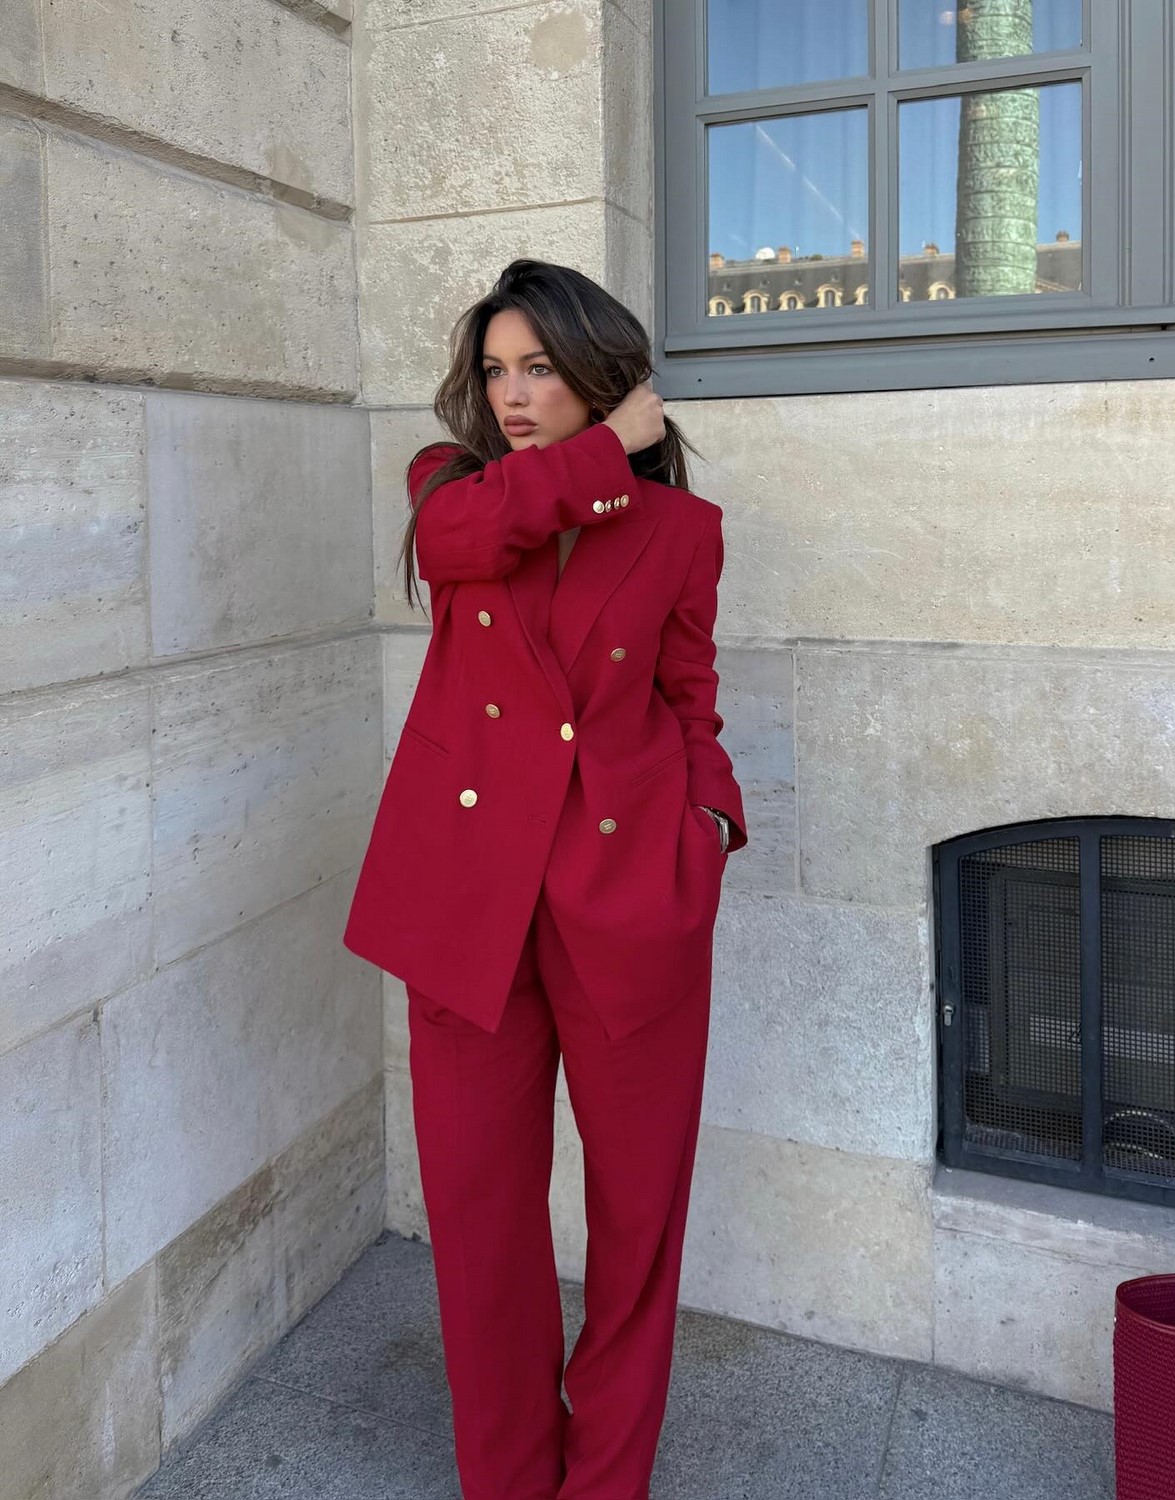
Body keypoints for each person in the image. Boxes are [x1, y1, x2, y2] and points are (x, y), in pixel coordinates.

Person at [343, 257, 747, 1500]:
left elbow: (690, 697)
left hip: (630, 903)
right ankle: (509, 1478)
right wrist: (613, 446)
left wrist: (709, 824)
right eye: (496, 371)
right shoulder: (451, 488)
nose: (512, 395)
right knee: (479, 1220)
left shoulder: (681, 533)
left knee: (637, 1221)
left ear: (598, 370)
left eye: (540, 368)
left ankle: (607, 1479)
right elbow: (465, 541)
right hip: (467, 908)